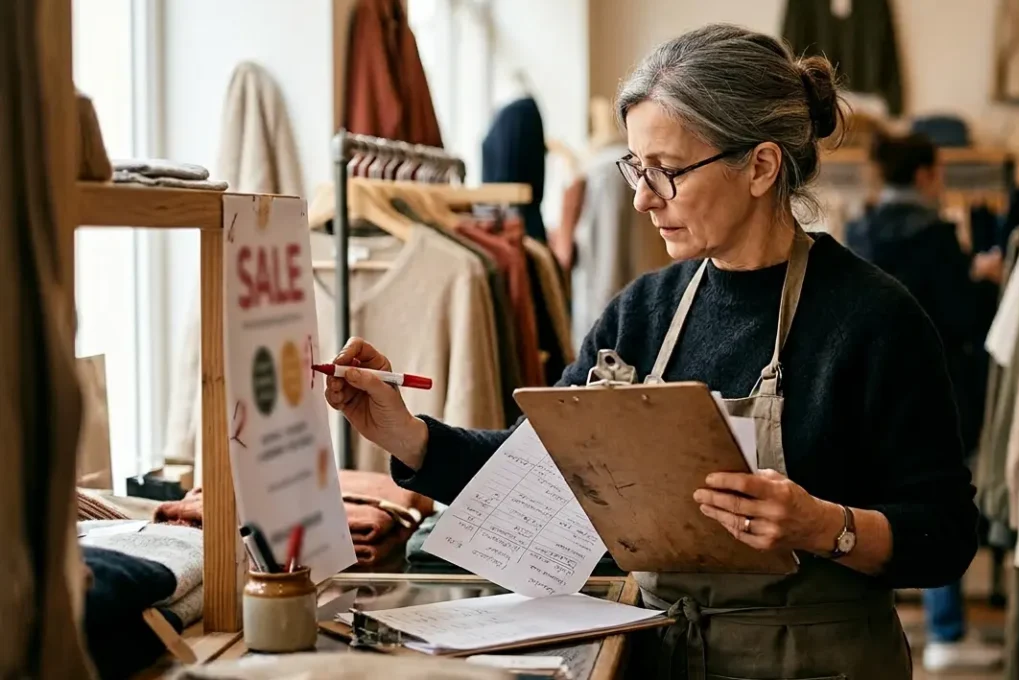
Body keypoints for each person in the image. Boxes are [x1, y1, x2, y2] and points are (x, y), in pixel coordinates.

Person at [325, 24, 978, 680]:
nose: (641, 198)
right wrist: (406, 435)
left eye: (666, 172)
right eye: (636, 169)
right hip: (654, 656)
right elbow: (537, 472)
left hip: (814, 663)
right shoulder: (644, 312)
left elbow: (944, 536)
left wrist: (823, 526)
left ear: (760, 166)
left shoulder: (874, 320)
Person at [845, 133, 1004, 672]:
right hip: (934, 384)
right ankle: (946, 630)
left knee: (871, 502)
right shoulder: (935, 235)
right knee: (936, 496)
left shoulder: (859, 229)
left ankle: (890, 618)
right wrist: (983, 281)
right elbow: (959, 318)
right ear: (923, 175)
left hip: (862, 387)